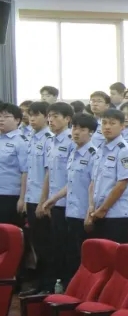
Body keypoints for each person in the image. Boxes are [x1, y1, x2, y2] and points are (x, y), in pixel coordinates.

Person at [31, 102, 74, 294]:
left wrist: (53, 200)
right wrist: (43, 201)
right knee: (51, 246)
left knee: (65, 248)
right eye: (49, 116)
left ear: (67, 119)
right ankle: (47, 286)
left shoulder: (72, 140)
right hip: (53, 202)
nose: (51, 120)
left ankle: (65, 287)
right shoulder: (51, 141)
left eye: (55, 116)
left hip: (68, 203)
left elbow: (74, 178)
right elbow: (48, 174)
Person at [86, 108, 128, 243]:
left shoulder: (124, 150)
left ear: (122, 126)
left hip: (116, 214)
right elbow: (93, 182)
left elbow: (121, 185)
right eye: (104, 123)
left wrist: (103, 209)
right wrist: (91, 208)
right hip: (97, 212)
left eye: (112, 123)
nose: (107, 127)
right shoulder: (100, 149)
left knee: (114, 253)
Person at [62, 113, 98, 286]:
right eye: (74, 128)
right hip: (71, 210)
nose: (76, 132)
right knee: (70, 253)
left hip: (84, 212)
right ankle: (71, 287)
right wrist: (52, 199)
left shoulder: (94, 154)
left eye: (82, 129)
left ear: (91, 132)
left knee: (83, 255)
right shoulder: (73, 152)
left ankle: (83, 288)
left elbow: (94, 185)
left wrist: (90, 213)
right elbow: (71, 183)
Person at [21, 102, 51, 290]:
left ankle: (46, 282)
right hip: (31, 197)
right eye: (30, 115)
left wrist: (42, 201)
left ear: (46, 117)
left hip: (42, 198)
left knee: (45, 242)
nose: (32, 119)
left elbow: (49, 172)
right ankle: (38, 281)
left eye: (36, 115)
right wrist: (25, 198)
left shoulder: (49, 139)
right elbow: (28, 171)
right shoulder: (31, 137)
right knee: (35, 241)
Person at [0, 102, 29, 227]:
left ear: (17, 120)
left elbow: (25, 172)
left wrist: (22, 198)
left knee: (7, 231)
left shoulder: (21, 141)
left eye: (6, 117)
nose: (1, 119)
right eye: (0, 116)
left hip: (10, 195)